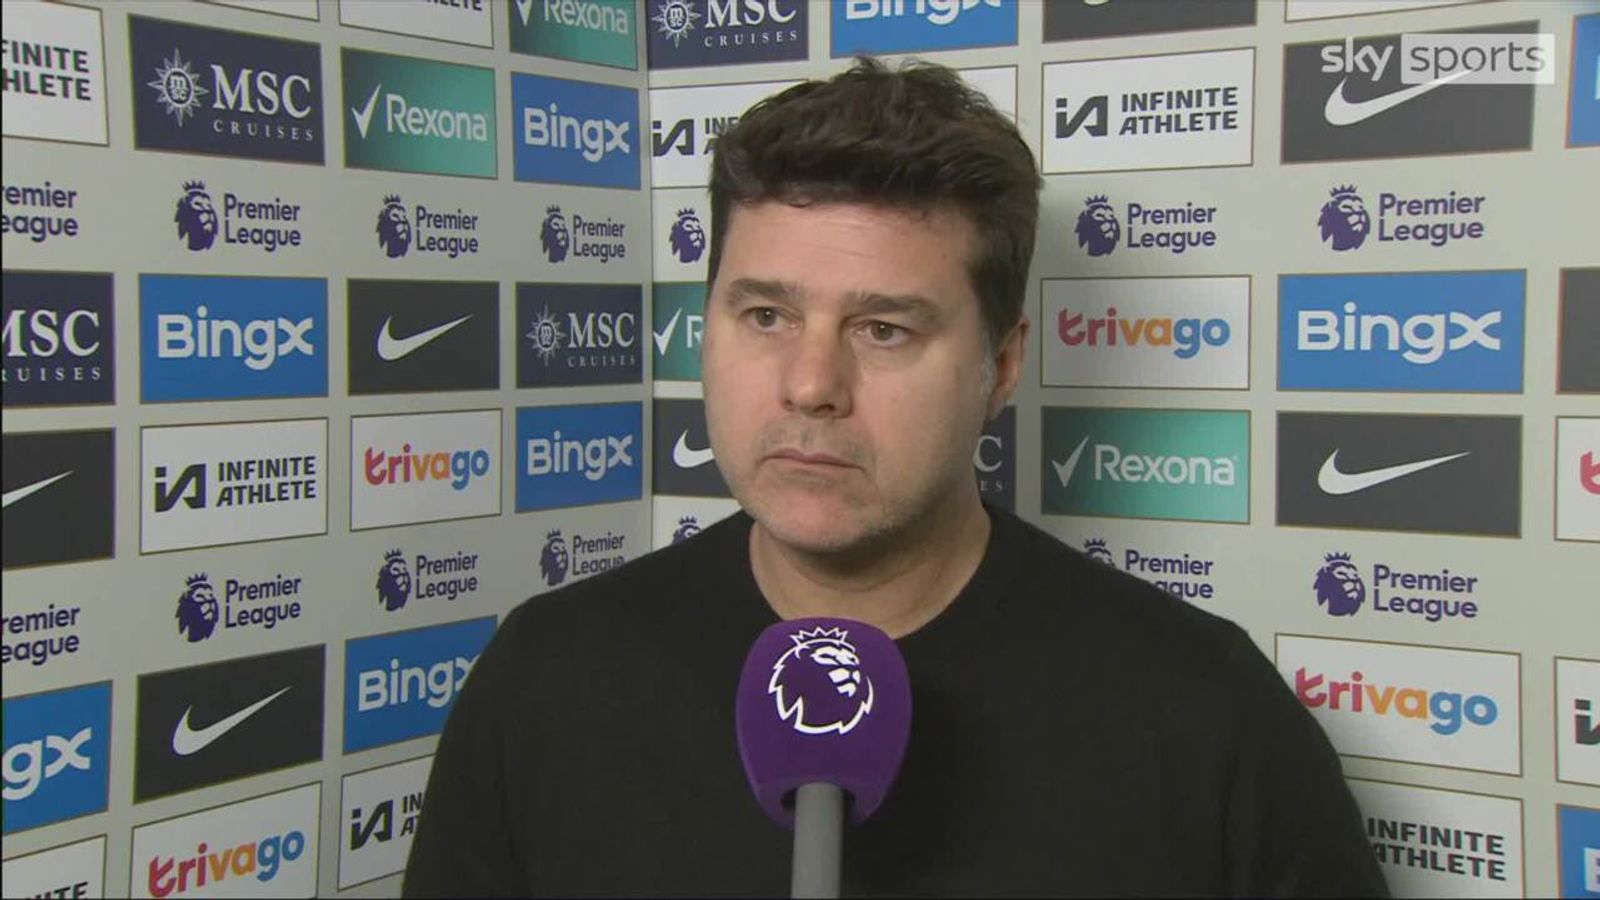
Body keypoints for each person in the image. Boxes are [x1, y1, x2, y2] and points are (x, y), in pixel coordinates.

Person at [403, 58, 1388, 897]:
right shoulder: (547, 676)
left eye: (883, 329)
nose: (811, 384)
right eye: (765, 316)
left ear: (1002, 363)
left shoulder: (1206, 719)